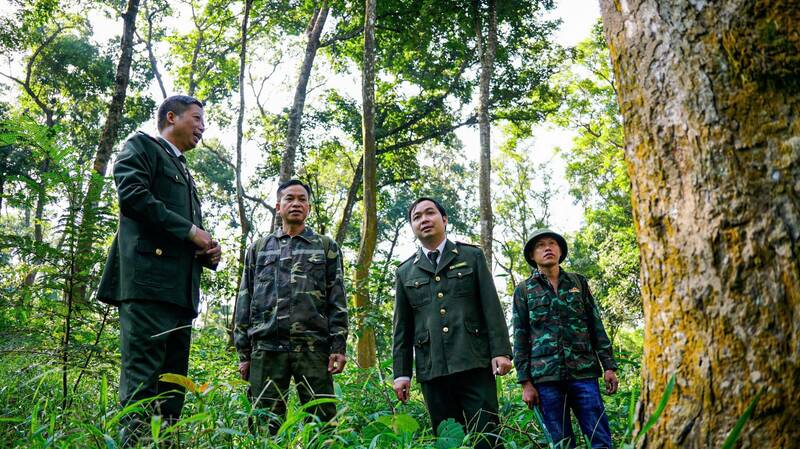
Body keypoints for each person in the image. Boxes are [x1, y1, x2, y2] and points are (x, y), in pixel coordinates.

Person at [97, 95, 222, 444]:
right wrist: (190, 231)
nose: (202, 127)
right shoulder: (142, 147)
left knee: (172, 389)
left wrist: (206, 251)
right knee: (143, 385)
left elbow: (183, 231)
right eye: (196, 118)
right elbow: (133, 196)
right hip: (148, 287)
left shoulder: (184, 170)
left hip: (180, 295)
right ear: (171, 117)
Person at [392, 197, 512, 449]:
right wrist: (402, 373)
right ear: (412, 227)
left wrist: (501, 351)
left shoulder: (471, 256)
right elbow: (402, 328)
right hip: (432, 367)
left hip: (474, 362)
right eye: (417, 217)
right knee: (447, 440)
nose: (424, 219)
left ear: (444, 219)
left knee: (486, 436)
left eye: (430, 213)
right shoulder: (405, 272)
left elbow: (491, 307)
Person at [234, 179, 348, 433]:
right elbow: (245, 298)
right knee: (263, 429)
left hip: (313, 349)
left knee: (323, 427)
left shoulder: (326, 246)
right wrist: (244, 354)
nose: (296, 203)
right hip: (266, 349)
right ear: (278, 206)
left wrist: (338, 345)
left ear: (308, 207)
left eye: (302, 199)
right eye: (289, 198)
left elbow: (337, 298)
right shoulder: (259, 249)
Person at [512, 229, 618, 449]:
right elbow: (520, 338)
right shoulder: (524, 290)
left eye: (552, 244)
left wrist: (609, 366)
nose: (548, 248)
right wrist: (525, 382)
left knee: (600, 438)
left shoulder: (578, 283)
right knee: (561, 443)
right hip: (546, 379)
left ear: (560, 251)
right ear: (532, 255)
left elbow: (596, 326)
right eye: (541, 245)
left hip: (583, 373)